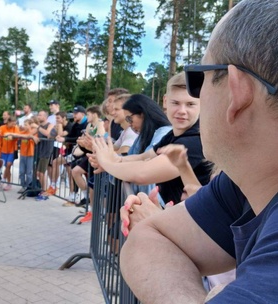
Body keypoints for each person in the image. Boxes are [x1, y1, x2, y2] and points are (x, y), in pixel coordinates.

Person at [119, 1, 278, 301]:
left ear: (236, 91)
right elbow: (149, 237)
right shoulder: (243, 183)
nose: (194, 100)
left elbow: (140, 173)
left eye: (196, 78)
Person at [91, 73, 212, 205]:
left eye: (190, 104)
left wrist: (107, 163)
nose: (182, 110)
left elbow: (143, 174)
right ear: (165, 101)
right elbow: (143, 157)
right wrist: (116, 159)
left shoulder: (194, 140)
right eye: (176, 103)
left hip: (188, 221)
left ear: (201, 104)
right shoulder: (173, 135)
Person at [34, 110, 57, 200]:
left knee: (41, 173)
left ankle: (44, 191)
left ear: (45, 117)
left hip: (46, 151)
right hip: (38, 150)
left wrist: (38, 127)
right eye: (38, 115)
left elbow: (48, 134)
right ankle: (41, 189)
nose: (38, 116)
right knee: (37, 173)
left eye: (40, 115)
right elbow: (30, 133)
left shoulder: (50, 125)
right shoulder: (38, 126)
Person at [0, 116, 19, 190]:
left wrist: (12, 135)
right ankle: (9, 182)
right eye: (12, 123)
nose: (13, 125)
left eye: (15, 123)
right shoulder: (3, 127)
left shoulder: (15, 128)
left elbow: (18, 135)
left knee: (8, 165)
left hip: (12, 150)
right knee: (7, 167)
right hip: (4, 150)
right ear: (8, 122)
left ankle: (4, 180)